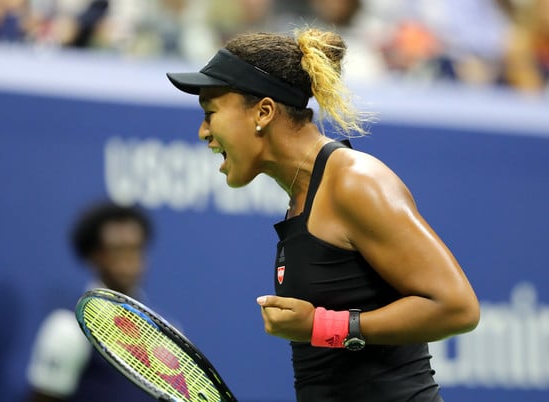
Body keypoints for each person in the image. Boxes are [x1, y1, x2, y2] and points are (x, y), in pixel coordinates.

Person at [166, 27, 480, 401]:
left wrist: (321, 325)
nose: (203, 132)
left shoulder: (354, 181)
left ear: (263, 112)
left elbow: (456, 308)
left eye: (211, 113)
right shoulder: (302, 195)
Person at [25, 200, 158, 402]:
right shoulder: (67, 327)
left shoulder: (162, 330)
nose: (127, 260)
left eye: (135, 249)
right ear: (94, 255)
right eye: (117, 249)